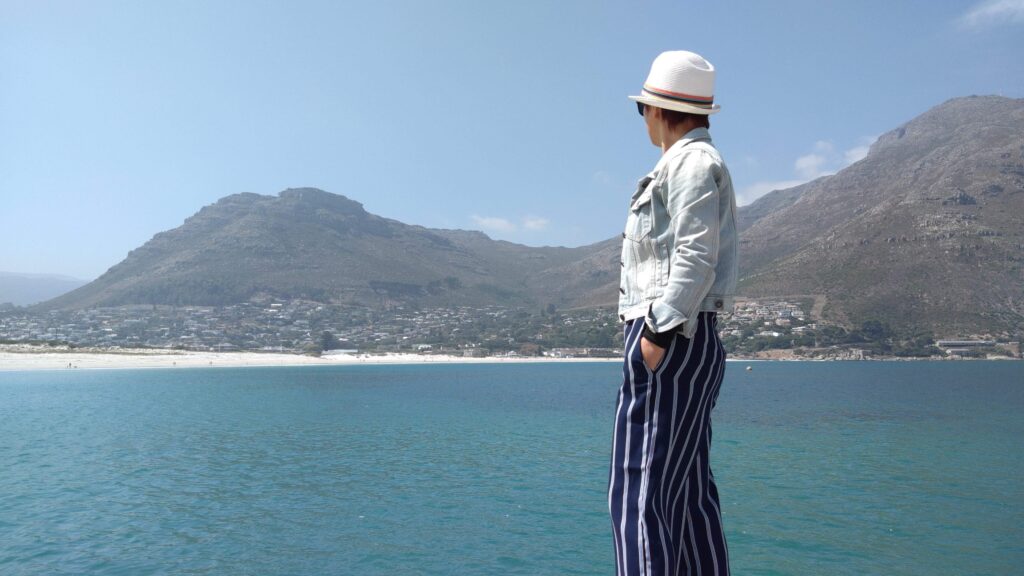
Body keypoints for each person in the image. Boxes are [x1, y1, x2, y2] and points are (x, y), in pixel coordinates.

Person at [609, 50, 737, 576]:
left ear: (659, 111)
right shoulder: (697, 162)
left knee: (638, 494)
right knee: (687, 493)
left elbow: (695, 255)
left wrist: (656, 333)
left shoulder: (688, 163)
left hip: (671, 334)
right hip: (692, 335)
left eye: (642, 109)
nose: (643, 119)